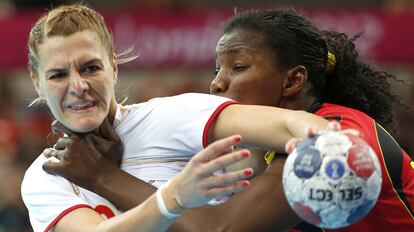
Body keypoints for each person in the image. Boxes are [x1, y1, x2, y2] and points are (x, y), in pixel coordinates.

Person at [44, 8, 414, 232]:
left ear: (292, 80)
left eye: (238, 67)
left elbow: (221, 228)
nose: (216, 82)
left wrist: (102, 177)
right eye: (216, 68)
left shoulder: (338, 138)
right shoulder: (271, 153)